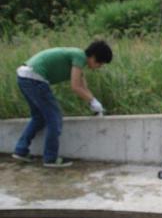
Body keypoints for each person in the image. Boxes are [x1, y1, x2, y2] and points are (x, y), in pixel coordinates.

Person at [12, 40, 112, 168]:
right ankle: (50, 158)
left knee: (39, 117)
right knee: (54, 118)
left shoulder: (79, 60)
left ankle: (20, 150)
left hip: (24, 76)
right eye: (100, 63)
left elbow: (83, 87)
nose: (100, 66)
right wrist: (93, 101)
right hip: (35, 78)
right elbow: (75, 87)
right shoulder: (80, 57)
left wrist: (93, 103)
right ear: (93, 57)